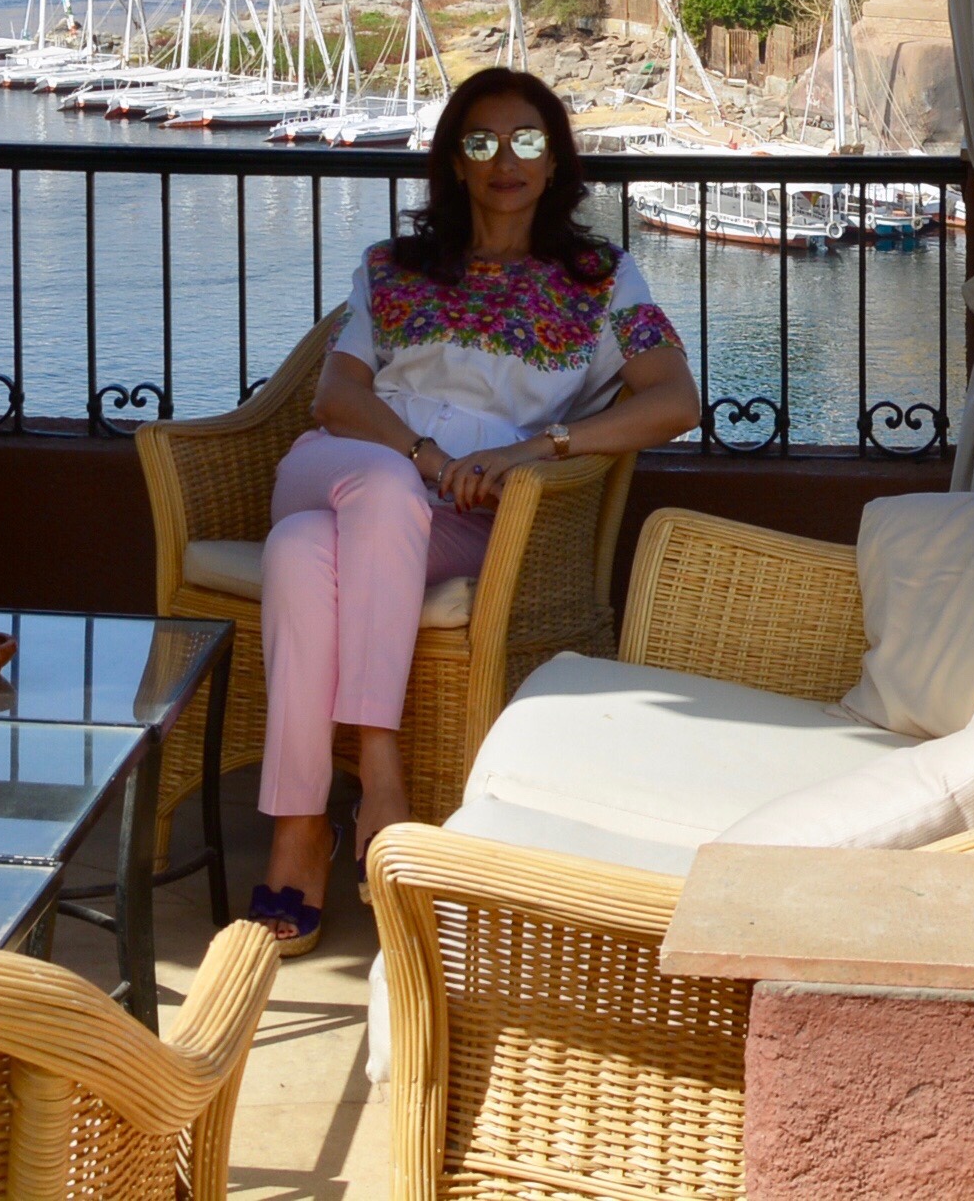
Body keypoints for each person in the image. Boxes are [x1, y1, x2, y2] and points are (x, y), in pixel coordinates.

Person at [249, 65, 698, 941]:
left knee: (300, 555)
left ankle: (298, 829)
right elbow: (336, 396)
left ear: (555, 161)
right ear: (455, 161)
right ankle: (379, 767)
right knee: (381, 488)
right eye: (482, 141)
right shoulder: (394, 268)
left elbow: (675, 402)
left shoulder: (600, 279)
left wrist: (539, 446)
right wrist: (421, 454)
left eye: (527, 140)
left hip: (466, 510)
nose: (505, 160)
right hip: (346, 464)